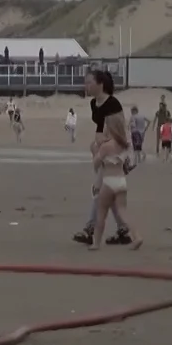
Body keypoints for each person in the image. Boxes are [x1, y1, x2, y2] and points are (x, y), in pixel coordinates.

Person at [71, 70, 130, 246]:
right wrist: (96, 146)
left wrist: (104, 148)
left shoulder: (112, 103)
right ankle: (123, 230)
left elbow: (117, 131)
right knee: (108, 193)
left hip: (114, 152)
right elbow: (99, 129)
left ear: (100, 84)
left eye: (89, 82)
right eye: (85, 83)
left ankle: (90, 230)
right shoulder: (94, 104)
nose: (86, 86)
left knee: (100, 191)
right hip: (103, 150)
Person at [89, 115, 141, 249]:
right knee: (123, 212)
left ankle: (96, 243)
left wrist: (95, 151)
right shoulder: (124, 145)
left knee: (101, 212)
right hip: (121, 181)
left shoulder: (106, 146)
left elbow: (96, 164)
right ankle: (137, 236)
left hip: (108, 182)